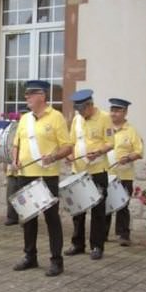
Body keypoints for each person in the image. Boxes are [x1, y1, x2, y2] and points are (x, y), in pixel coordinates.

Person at [11, 80, 73, 276]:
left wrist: (54, 156)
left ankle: (57, 260)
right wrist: (14, 160)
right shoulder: (24, 119)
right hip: (25, 175)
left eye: (30, 93)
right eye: (26, 94)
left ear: (42, 96)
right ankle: (30, 256)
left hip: (47, 176)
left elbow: (67, 146)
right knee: (28, 218)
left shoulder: (56, 117)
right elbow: (16, 144)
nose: (26, 97)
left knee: (51, 219)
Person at [64, 89, 114, 260]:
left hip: (98, 171)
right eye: (77, 110)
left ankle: (97, 246)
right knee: (77, 210)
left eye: (82, 110)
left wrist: (99, 151)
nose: (79, 113)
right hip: (78, 171)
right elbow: (71, 142)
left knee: (98, 211)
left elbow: (110, 143)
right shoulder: (77, 119)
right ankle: (77, 244)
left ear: (90, 105)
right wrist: (69, 156)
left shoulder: (104, 117)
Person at [105, 98, 143, 246]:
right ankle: (102, 234)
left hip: (124, 175)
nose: (113, 113)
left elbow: (139, 151)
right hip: (106, 174)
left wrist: (128, 158)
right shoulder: (106, 128)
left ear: (125, 112)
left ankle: (123, 235)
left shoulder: (131, 130)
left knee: (122, 206)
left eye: (117, 110)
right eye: (112, 110)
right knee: (104, 205)